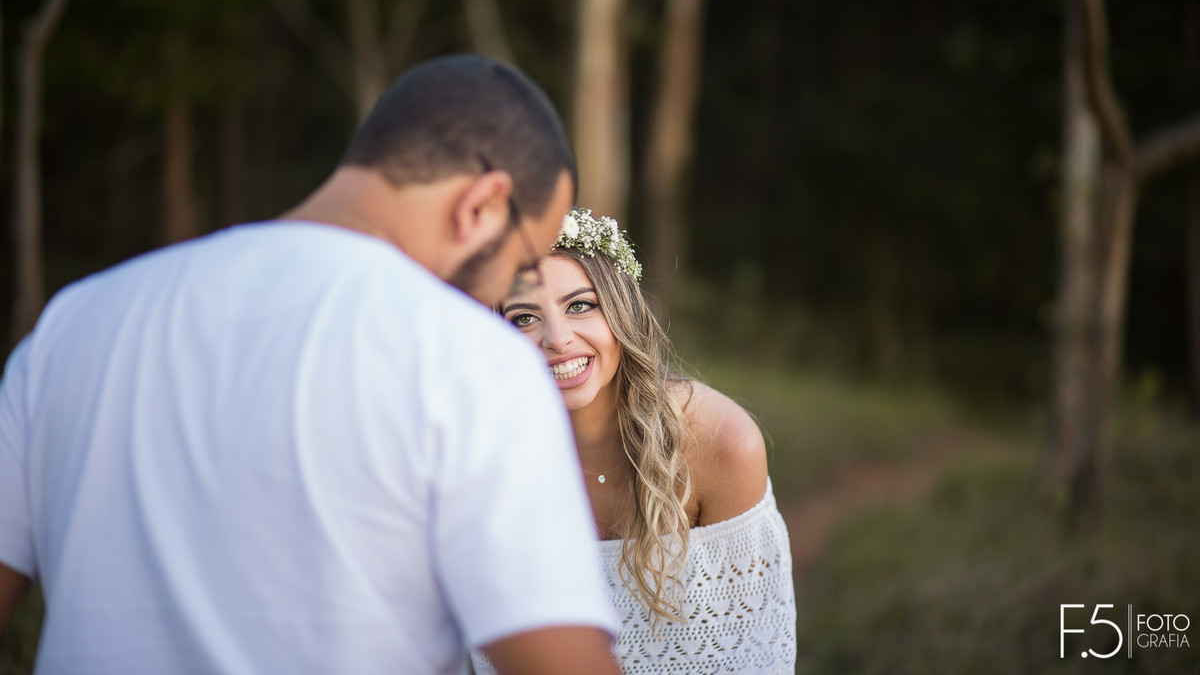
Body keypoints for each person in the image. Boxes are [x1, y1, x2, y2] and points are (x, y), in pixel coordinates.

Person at [0, 55, 623, 675]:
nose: (504, 293)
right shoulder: (465, 358)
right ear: (481, 206)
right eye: (522, 265)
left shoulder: (69, 325)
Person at [474, 208, 797, 674]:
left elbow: (751, 655)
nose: (558, 339)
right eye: (524, 317)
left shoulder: (721, 443)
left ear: (621, 310)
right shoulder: (478, 460)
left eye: (580, 305)